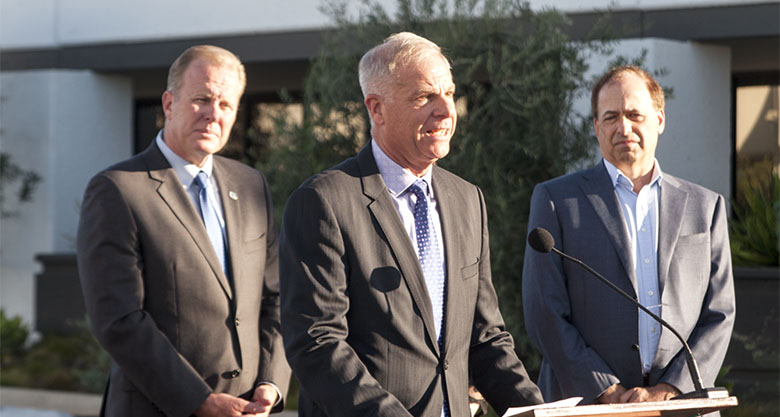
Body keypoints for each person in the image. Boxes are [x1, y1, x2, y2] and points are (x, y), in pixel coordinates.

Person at [279, 32, 543, 417]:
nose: (446, 111)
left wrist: (538, 411)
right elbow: (317, 343)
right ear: (377, 109)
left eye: (449, 94)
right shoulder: (324, 201)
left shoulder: (467, 199)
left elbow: (485, 338)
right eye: (424, 97)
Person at [77, 45, 290, 417]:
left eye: (226, 105)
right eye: (202, 99)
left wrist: (270, 384)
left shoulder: (251, 184)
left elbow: (276, 299)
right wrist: (199, 401)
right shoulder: (118, 189)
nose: (213, 115)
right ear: (169, 103)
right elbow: (119, 320)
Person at [522, 65, 735, 407]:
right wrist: (606, 389)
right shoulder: (555, 201)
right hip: (587, 405)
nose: (624, 128)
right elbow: (543, 312)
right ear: (596, 127)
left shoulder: (705, 207)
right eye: (610, 117)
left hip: (680, 406)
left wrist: (669, 390)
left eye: (635, 114)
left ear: (659, 120)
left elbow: (719, 313)